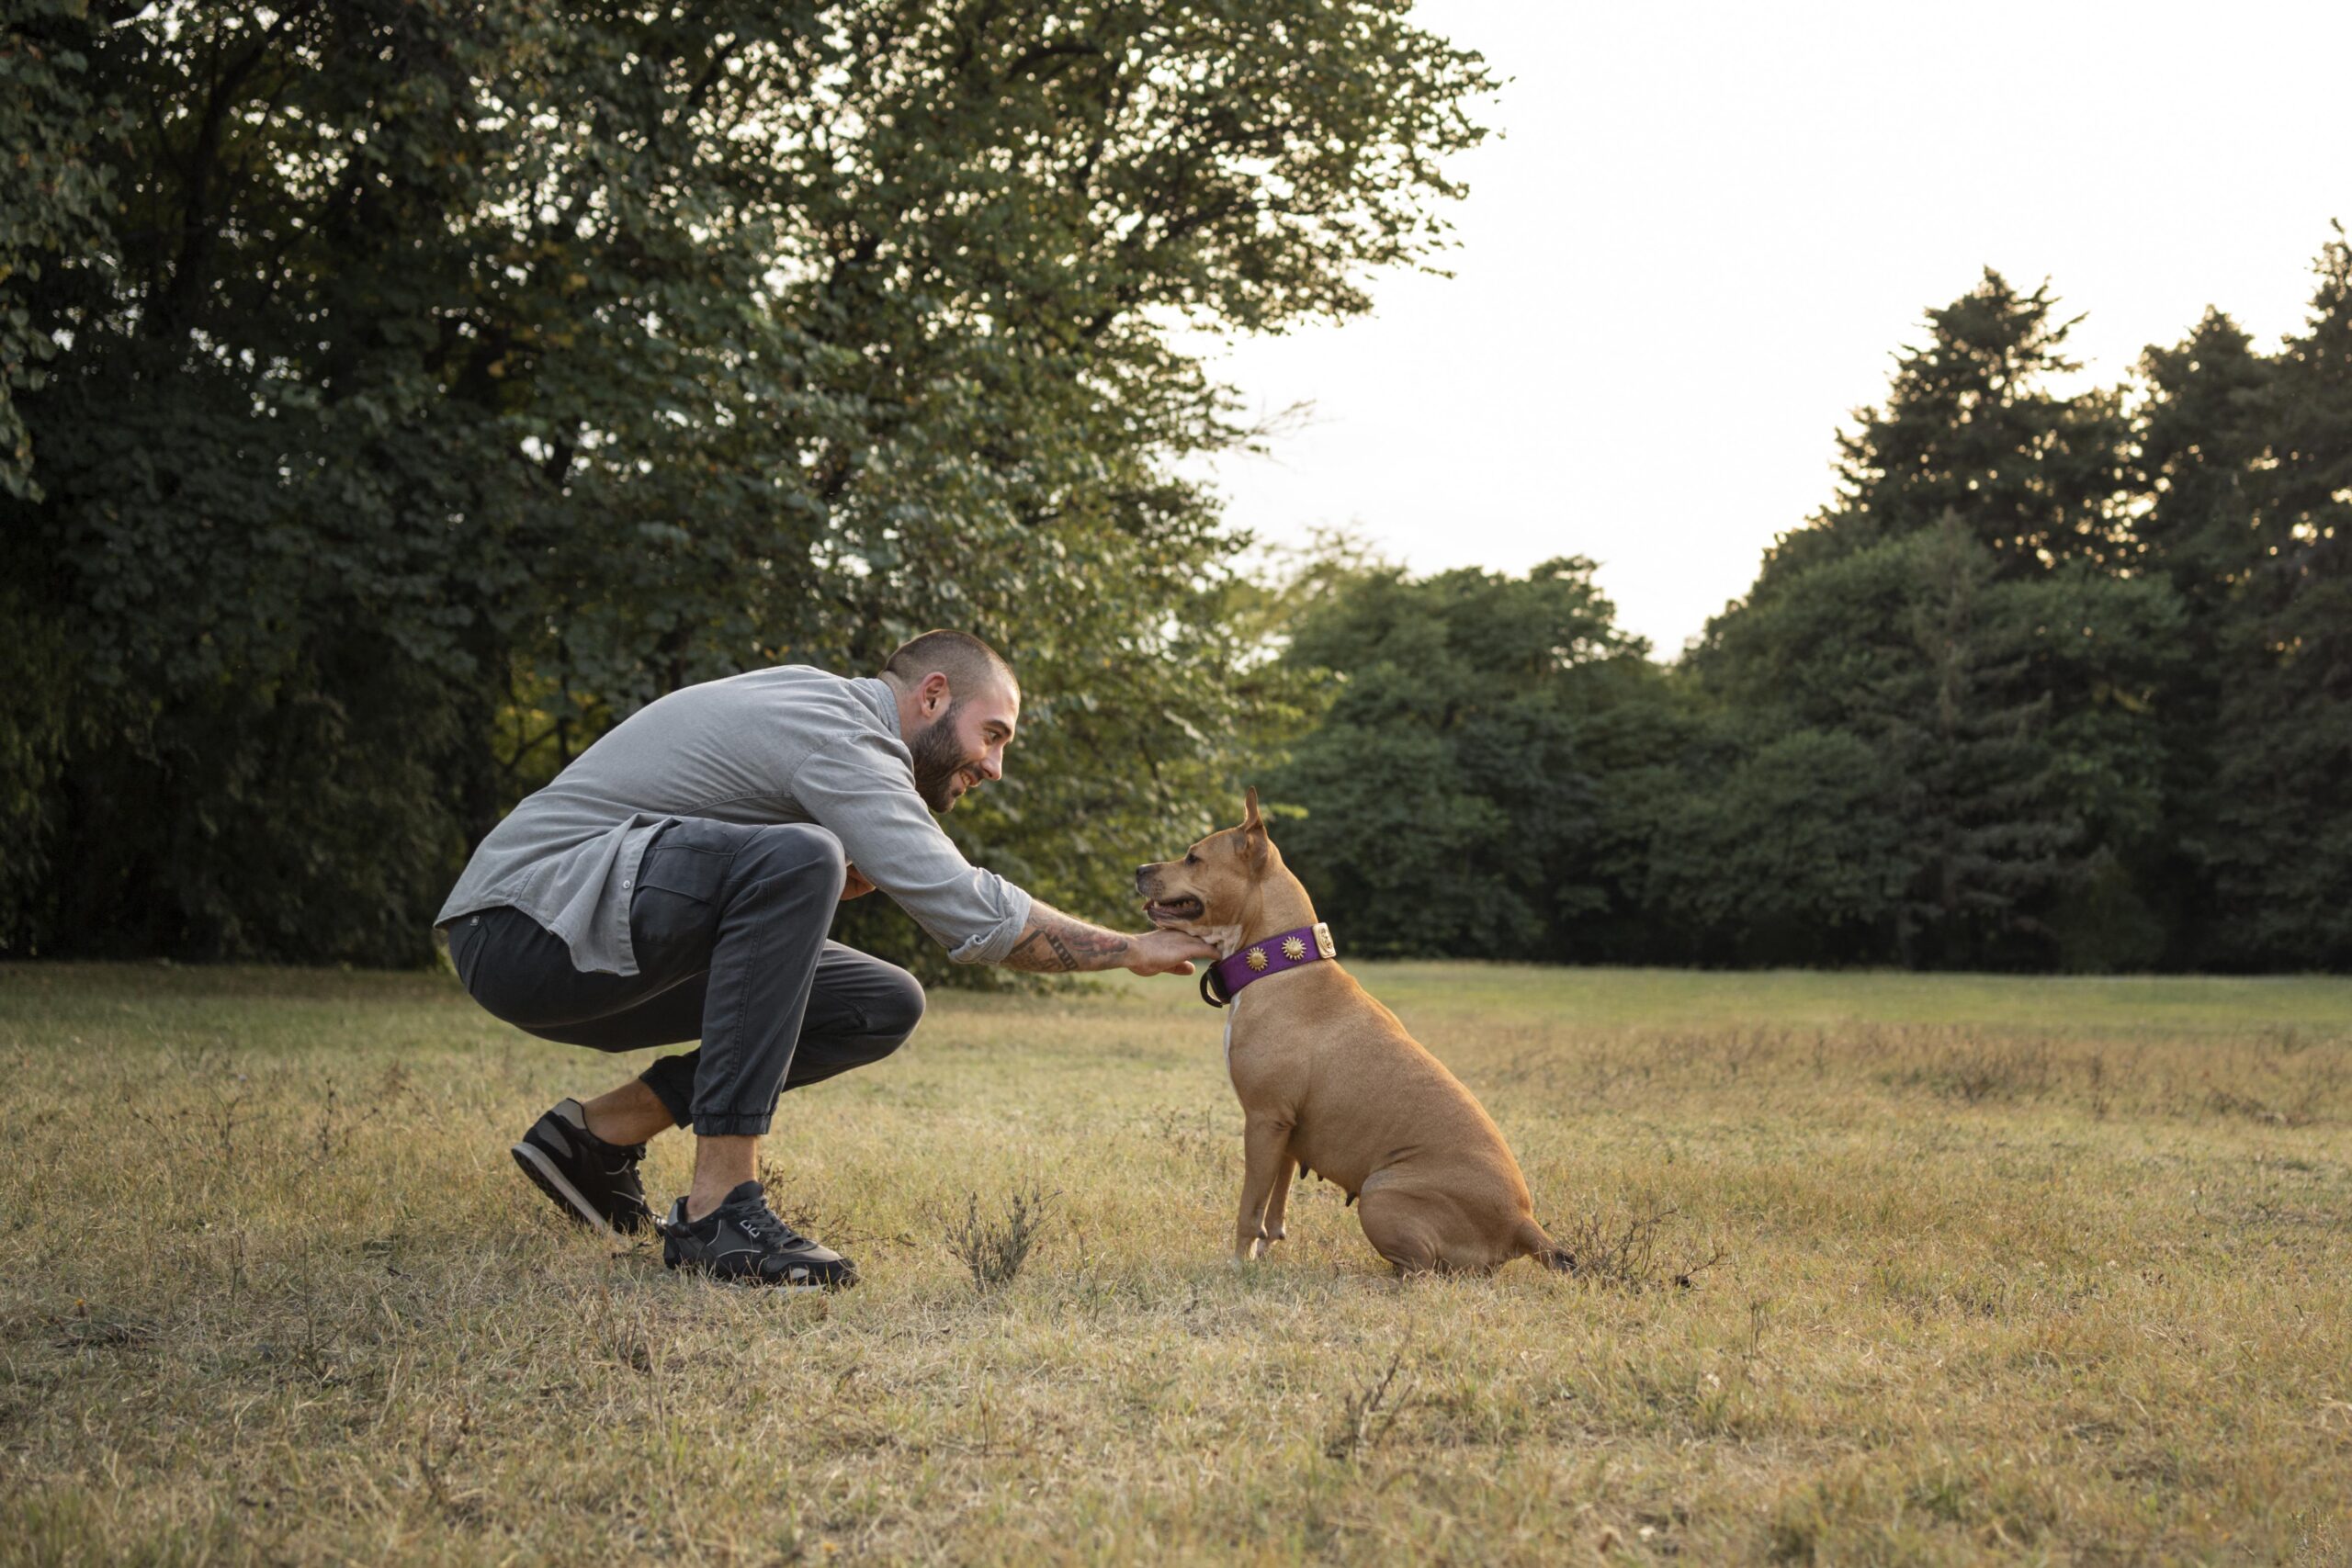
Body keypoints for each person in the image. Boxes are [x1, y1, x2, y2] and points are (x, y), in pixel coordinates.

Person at [436, 630, 1215, 1288]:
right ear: (933, 696)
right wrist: (1131, 948)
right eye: (994, 735)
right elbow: (968, 909)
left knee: (881, 1001)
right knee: (802, 857)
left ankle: (596, 1136)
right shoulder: (841, 728)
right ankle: (719, 1213)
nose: (994, 767)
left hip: (599, 945)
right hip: (520, 927)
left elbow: (746, 877)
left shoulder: (831, 728)